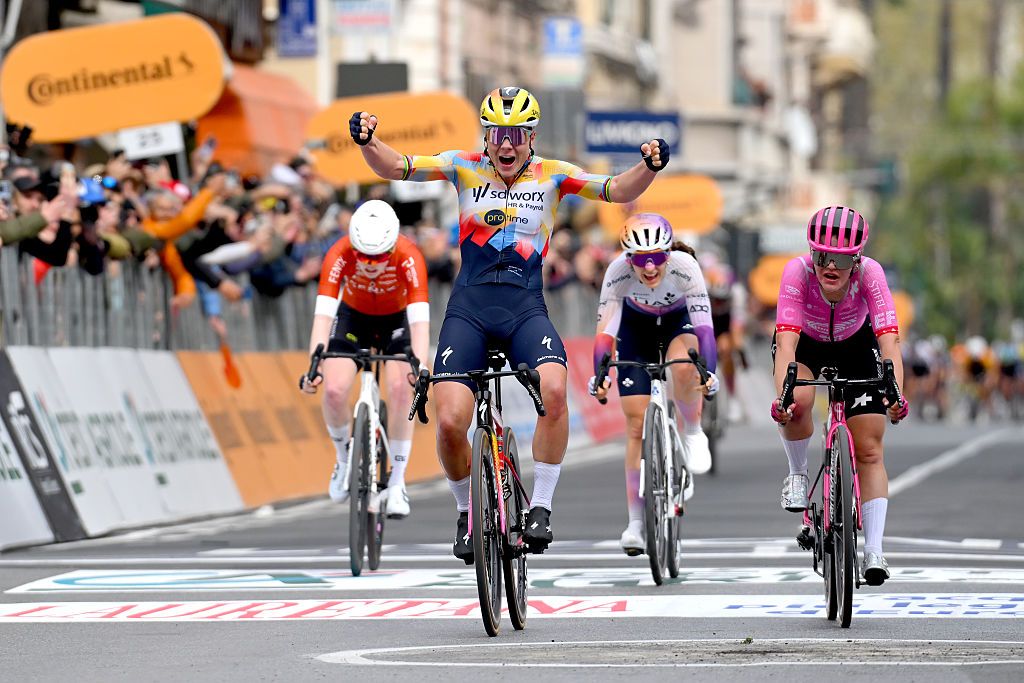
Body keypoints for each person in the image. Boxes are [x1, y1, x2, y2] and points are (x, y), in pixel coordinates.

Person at [350, 85, 668, 562]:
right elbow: (398, 167)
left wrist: (649, 166)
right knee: (452, 418)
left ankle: (540, 506)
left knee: (555, 391)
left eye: (516, 135)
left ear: (532, 136)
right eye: (497, 133)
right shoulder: (463, 165)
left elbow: (616, 190)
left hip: (524, 310)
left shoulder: (553, 175)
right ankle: (465, 511)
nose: (505, 144)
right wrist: (367, 141)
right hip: (469, 311)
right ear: (486, 135)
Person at [770, 205, 909, 586]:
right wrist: (783, 399)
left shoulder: (872, 275)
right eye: (821, 255)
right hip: (807, 345)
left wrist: (896, 392)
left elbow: (889, 341)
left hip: (856, 345)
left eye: (842, 259)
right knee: (797, 402)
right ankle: (797, 473)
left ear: (857, 259)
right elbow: (786, 345)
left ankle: (875, 551)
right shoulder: (796, 273)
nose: (830, 266)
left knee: (869, 449)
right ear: (811, 253)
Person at [588, 213, 719, 555]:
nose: (649, 268)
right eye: (640, 260)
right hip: (636, 328)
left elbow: (704, 328)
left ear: (668, 253)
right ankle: (635, 522)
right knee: (635, 424)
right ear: (627, 258)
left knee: (684, 367)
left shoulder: (685, 266)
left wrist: (709, 373)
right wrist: (599, 375)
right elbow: (605, 331)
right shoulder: (616, 272)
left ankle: (692, 431)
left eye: (657, 258)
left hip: (678, 322)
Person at [299, 200, 430, 519]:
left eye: (379, 257)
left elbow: (419, 321)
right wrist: (314, 363)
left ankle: (397, 483)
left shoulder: (409, 256)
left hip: (397, 321)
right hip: (353, 319)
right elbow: (323, 315)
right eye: (364, 256)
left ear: (393, 245)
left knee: (402, 389)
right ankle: (345, 459)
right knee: (333, 390)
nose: (371, 264)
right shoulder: (339, 252)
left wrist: (422, 366)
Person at [701, 252, 749, 422]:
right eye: (716, 300)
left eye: (723, 301)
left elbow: (736, 329)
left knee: (727, 350)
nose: (719, 304)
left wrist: (740, 351)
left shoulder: (737, 294)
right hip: (707, 320)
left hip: (725, 325)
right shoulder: (701, 291)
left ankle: (732, 398)